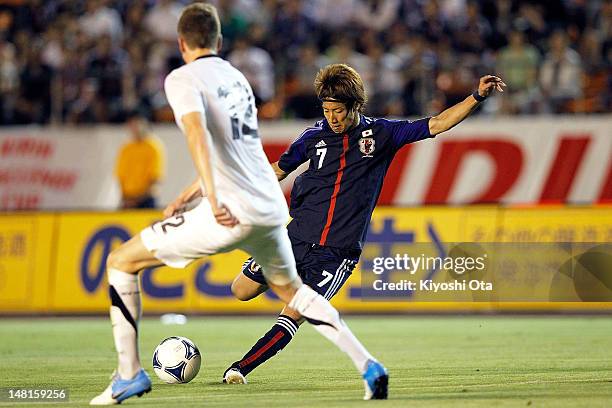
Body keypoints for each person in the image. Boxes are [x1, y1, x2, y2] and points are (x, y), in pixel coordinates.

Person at [90, 4, 387, 405]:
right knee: (294, 294)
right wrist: (190, 194)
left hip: (231, 205)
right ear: (220, 41)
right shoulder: (237, 79)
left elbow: (198, 136)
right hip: (270, 209)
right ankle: (369, 364)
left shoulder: (181, 78)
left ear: (181, 43)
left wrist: (208, 196)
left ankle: (129, 375)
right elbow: (238, 149)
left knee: (121, 262)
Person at [223, 64, 505, 383]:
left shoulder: (382, 134)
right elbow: (279, 170)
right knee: (241, 290)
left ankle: (239, 369)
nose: (332, 118)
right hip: (294, 238)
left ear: (355, 106)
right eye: (327, 110)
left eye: (338, 111)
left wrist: (476, 96)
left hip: (336, 253)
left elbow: (438, 123)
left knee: (295, 313)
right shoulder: (312, 138)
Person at [115, 111, 165, 209]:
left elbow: (155, 179)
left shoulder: (153, 146)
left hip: (146, 200)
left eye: (136, 124)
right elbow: (120, 176)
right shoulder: (126, 148)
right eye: (131, 125)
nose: (134, 129)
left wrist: (137, 200)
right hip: (128, 200)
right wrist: (126, 198)